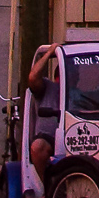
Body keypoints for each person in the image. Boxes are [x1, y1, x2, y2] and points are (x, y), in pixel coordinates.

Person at [27, 43, 61, 182]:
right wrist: (48, 54)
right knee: (38, 146)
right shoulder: (48, 88)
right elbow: (33, 77)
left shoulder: (79, 93)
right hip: (49, 138)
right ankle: (46, 185)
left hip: (76, 138)